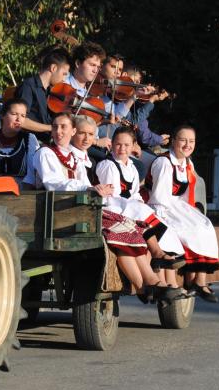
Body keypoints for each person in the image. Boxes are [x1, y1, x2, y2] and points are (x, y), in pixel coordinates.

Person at [35, 114, 175, 302]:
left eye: (64, 128)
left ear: (71, 131)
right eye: (55, 127)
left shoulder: (74, 158)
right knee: (121, 233)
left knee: (130, 229)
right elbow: (53, 183)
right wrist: (91, 188)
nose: (60, 132)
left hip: (82, 208)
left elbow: (86, 185)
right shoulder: (46, 153)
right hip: (62, 210)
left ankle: (152, 282)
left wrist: (95, 189)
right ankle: (145, 287)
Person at [96, 127, 187, 277]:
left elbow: (135, 193)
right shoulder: (108, 165)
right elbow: (112, 194)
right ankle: (157, 254)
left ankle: (166, 262)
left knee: (157, 219)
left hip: (128, 206)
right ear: (111, 144)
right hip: (113, 207)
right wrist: (136, 205)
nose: (122, 149)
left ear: (133, 146)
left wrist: (139, 202)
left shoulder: (131, 167)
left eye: (126, 145)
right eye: (118, 144)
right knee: (142, 212)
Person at [147, 125, 219, 302]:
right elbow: (159, 197)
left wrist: (191, 212)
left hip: (178, 204)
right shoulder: (164, 163)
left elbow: (186, 195)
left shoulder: (187, 162)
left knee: (204, 225)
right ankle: (190, 278)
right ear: (173, 141)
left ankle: (200, 280)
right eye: (183, 140)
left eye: (191, 141)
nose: (187, 144)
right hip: (161, 205)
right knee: (187, 228)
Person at [15, 47, 70, 136]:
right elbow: (21, 120)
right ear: (53, 68)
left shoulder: (49, 91)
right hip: (32, 142)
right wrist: (51, 128)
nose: (64, 79)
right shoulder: (28, 86)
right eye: (64, 74)